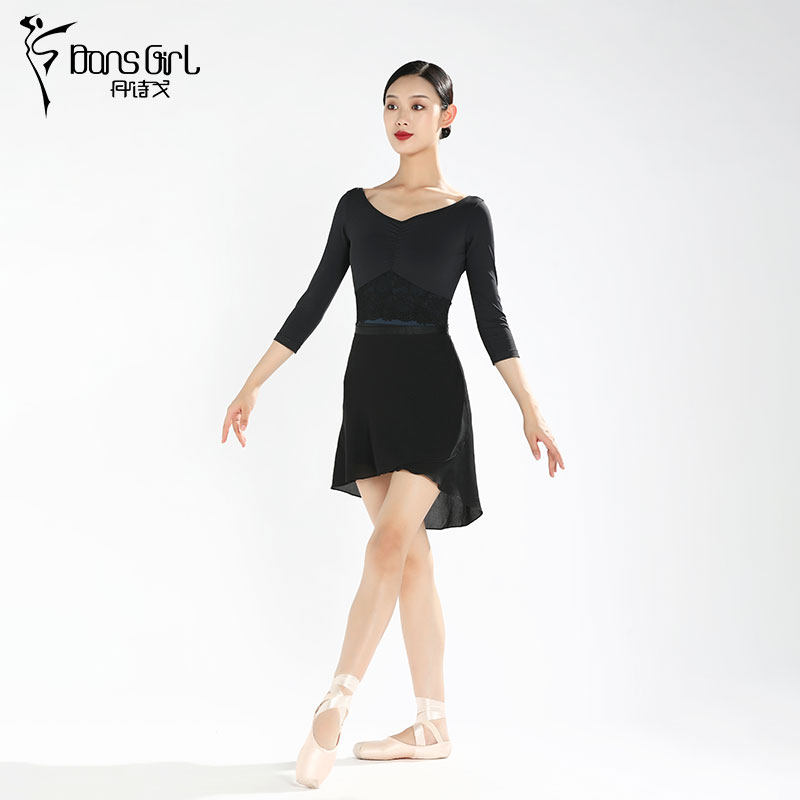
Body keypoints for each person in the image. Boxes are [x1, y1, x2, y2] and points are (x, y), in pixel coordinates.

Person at [222, 59, 565, 790]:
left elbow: (491, 315)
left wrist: (529, 408)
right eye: (390, 106)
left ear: (447, 115)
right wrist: (253, 383)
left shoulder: (468, 214)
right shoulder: (355, 206)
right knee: (409, 559)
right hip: (368, 393)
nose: (402, 118)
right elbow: (314, 299)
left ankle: (334, 703)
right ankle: (432, 726)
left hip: (434, 393)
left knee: (385, 544)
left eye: (418, 105)